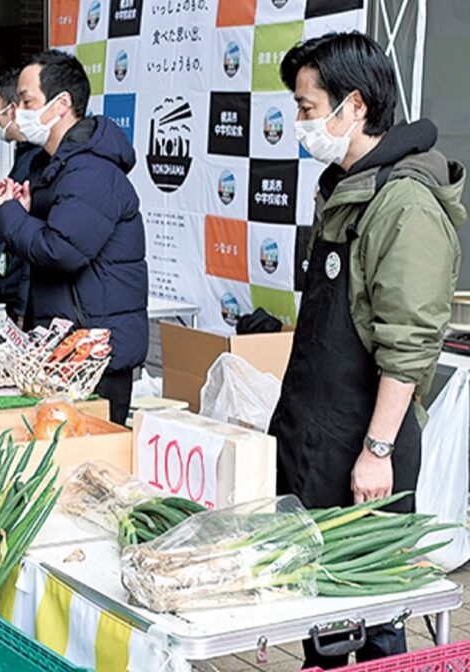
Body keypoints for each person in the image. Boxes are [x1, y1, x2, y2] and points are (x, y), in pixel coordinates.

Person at [270, 33, 465, 668]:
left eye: (307, 107)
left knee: (373, 605)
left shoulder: (403, 203)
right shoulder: (346, 186)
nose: (299, 122)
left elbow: (407, 343)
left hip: (362, 442)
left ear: (353, 107)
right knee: (319, 603)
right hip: (314, 434)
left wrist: (377, 450)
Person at [0, 50, 148, 425]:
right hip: (66, 349)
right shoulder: (56, 165)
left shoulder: (91, 170)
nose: (17, 112)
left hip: (93, 357)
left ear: (62, 105)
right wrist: (28, 213)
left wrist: (8, 214)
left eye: (27, 101)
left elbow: (60, 250)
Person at [0, 67, 42, 324]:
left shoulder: (36, 162)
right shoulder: (25, 157)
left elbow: (29, 240)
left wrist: (21, 306)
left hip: (27, 303)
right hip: (16, 298)